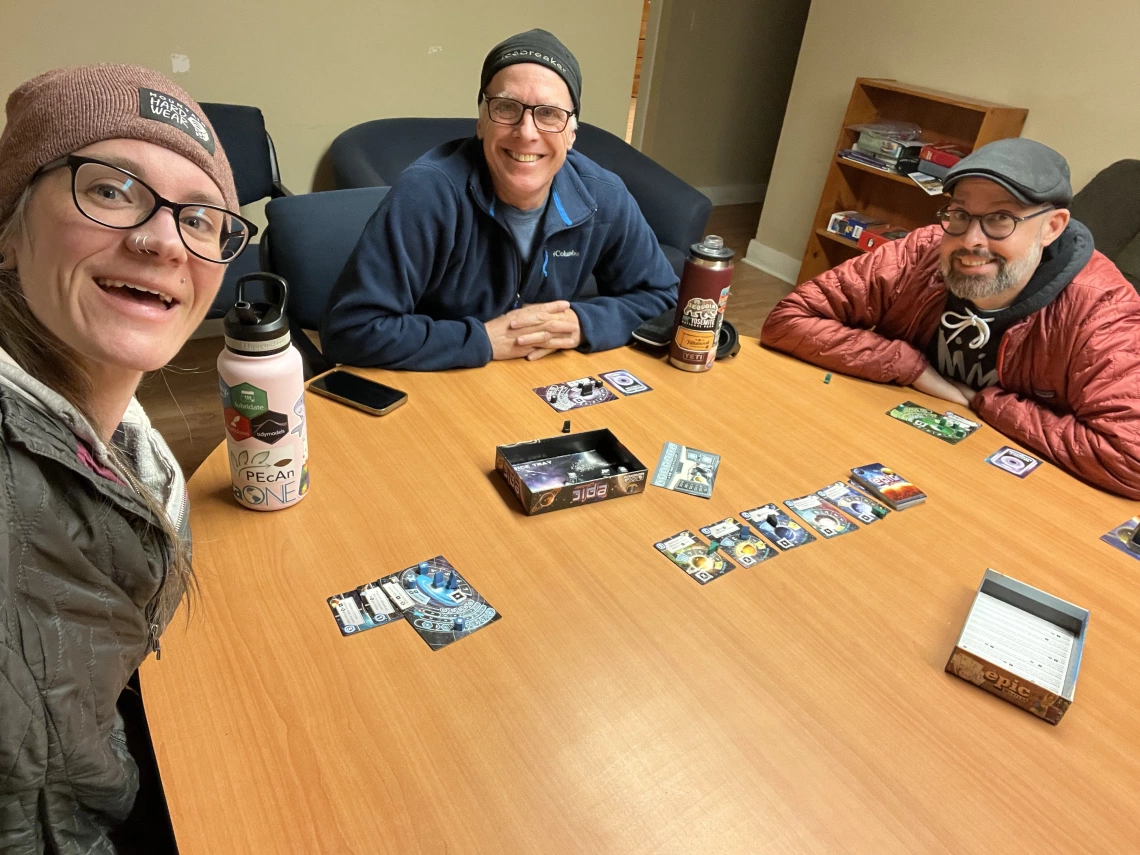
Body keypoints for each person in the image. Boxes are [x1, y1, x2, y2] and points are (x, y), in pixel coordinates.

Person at [0, 64, 248, 852]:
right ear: (8, 229)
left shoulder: (121, 441)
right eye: (110, 189)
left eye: (201, 217)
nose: (161, 239)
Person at [761, 138, 1140, 499]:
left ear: (1052, 226)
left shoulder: (1102, 307)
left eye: (1001, 218)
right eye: (959, 214)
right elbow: (790, 318)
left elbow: (1130, 459)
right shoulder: (921, 250)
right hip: (889, 445)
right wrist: (912, 368)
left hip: (1005, 492)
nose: (971, 239)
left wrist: (986, 403)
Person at [320, 29, 679, 371]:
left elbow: (664, 299)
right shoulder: (426, 194)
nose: (526, 133)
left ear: (571, 133)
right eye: (507, 108)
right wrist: (483, 340)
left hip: (537, 384)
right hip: (438, 384)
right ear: (481, 121)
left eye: (549, 114)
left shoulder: (603, 195)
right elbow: (350, 331)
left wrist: (584, 323)